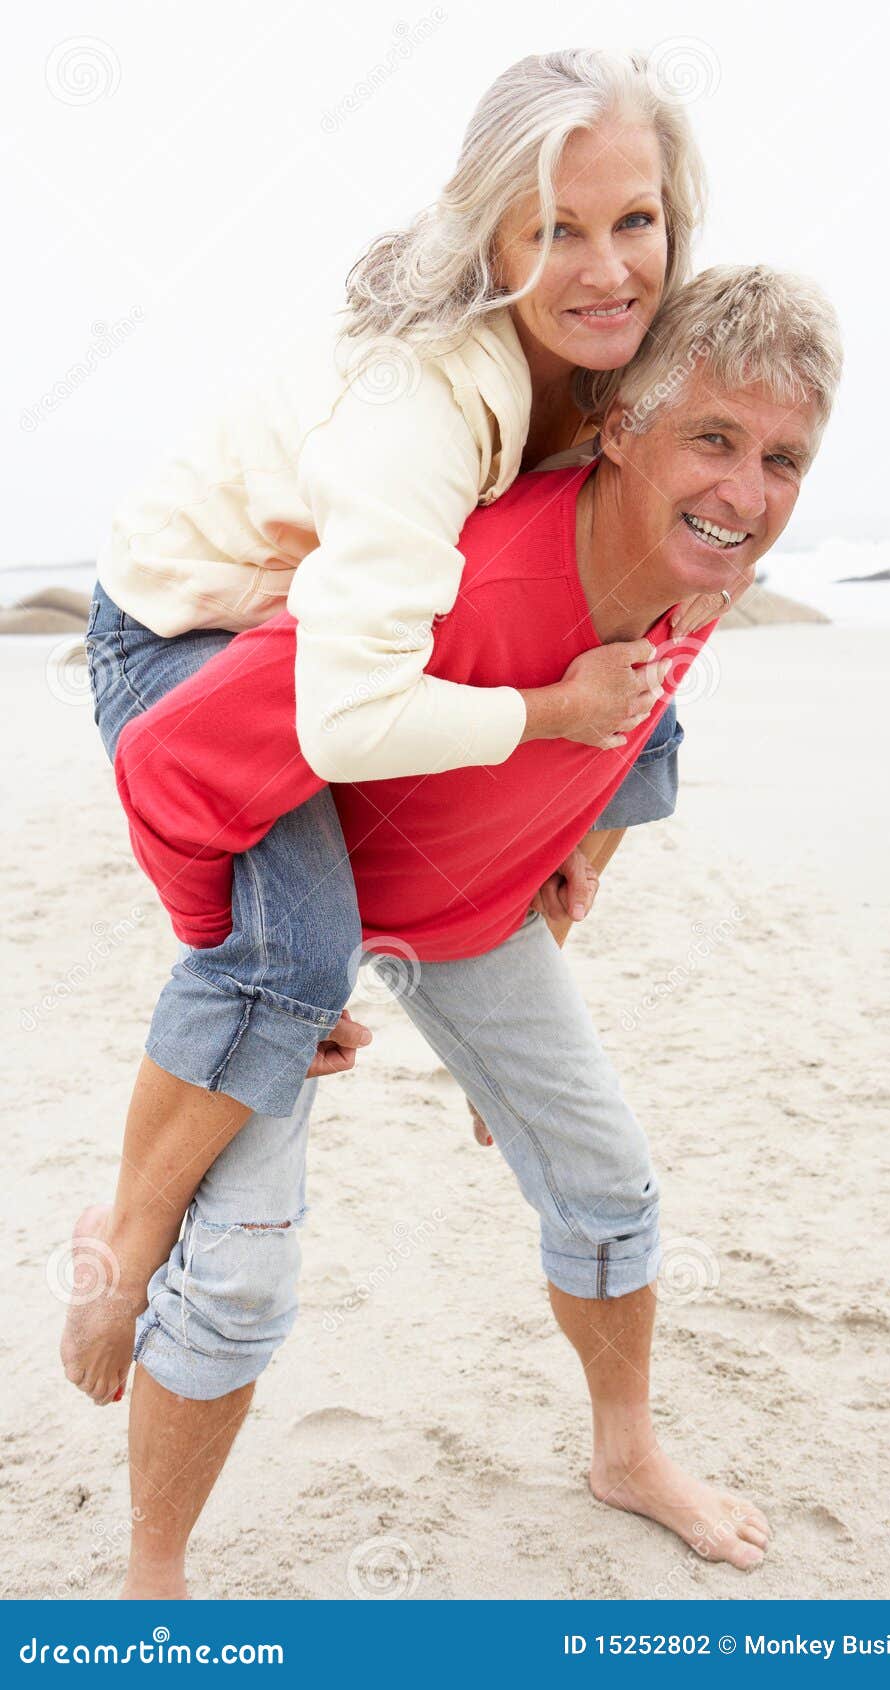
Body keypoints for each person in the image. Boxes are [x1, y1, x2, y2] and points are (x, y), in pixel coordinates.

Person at [100, 264, 842, 1597]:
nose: (748, 493)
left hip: (470, 921)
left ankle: (625, 1452)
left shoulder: (704, 569)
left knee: (611, 1190)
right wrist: (263, 961)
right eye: (715, 441)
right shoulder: (464, 577)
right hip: (291, 910)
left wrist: (572, 869)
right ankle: (154, 1580)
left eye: (783, 457)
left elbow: (642, 729)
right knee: (240, 1282)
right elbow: (174, 761)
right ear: (618, 428)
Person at [61, 48, 717, 1409]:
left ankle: (506, 1012)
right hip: (197, 632)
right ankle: (122, 1241)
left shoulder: (624, 363)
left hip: (342, 627)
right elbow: (346, 719)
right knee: (292, 954)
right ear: (495, 234)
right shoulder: (421, 406)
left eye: (634, 220)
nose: (608, 268)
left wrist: (574, 804)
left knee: (643, 733)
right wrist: (548, 709)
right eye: (557, 231)